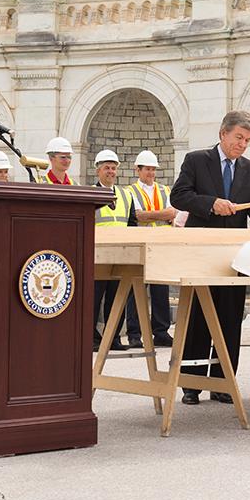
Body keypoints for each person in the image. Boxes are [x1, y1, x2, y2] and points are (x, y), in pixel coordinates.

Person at [170, 111, 250, 405]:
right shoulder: (196, 160)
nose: (242, 144)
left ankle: (222, 381)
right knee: (199, 316)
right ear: (222, 134)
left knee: (230, 317)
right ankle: (191, 384)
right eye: (238, 138)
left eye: (247, 140)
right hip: (201, 249)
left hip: (235, 255)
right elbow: (179, 196)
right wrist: (211, 204)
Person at [125, 149, 176, 349]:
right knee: (136, 290)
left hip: (160, 245)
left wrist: (153, 214)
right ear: (138, 170)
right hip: (141, 244)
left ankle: (161, 332)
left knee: (160, 290)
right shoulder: (131, 191)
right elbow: (138, 216)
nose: (151, 173)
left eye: (153, 169)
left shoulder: (164, 190)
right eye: (147, 169)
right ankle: (134, 334)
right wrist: (161, 214)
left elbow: (172, 212)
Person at [92, 149, 137, 352]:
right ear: (98, 171)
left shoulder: (126, 195)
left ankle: (114, 338)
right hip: (97, 255)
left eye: (113, 168)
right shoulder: (90, 194)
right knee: (93, 299)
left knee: (116, 299)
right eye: (106, 168)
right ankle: (91, 338)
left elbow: (132, 224)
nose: (110, 171)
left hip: (120, 255)